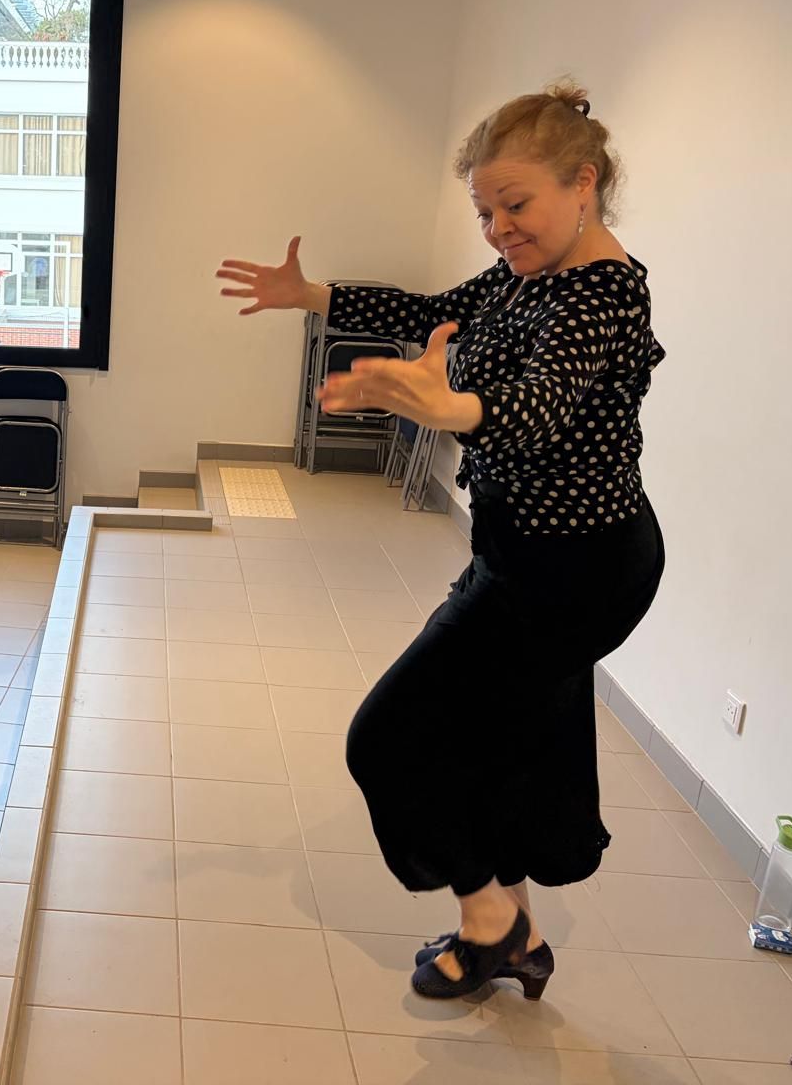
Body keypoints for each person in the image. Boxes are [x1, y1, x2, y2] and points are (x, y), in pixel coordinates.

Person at [216, 81, 666, 1001]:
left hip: (577, 568)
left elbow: (538, 407)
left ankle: (492, 922)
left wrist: (450, 406)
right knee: (499, 740)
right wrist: (314, 295)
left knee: (387, 739)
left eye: (516, 205)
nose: (499, 230)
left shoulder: (604, 294)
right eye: (485, 212)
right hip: (524, 552)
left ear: (584, 183)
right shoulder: (526, 273)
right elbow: (435, 310)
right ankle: (517, 927)